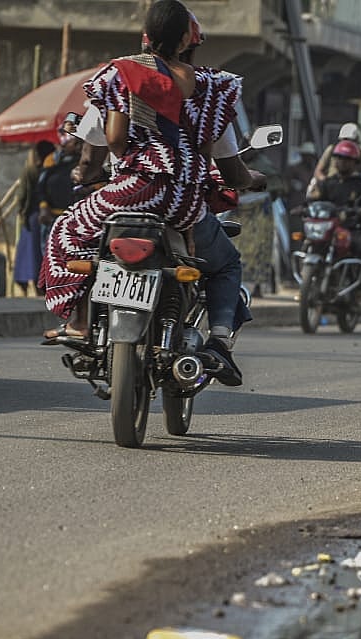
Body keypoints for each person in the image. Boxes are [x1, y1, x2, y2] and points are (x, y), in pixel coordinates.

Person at [40, 0, 258, 386]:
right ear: (184, 43)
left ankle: (78, 320)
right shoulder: (213, 88)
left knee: (66, 233)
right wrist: (250, 178)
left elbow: (106, 144)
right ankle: (220, 343)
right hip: (184, 202)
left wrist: (104, 165)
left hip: (131, 193)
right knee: (225, 264)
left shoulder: (121, 75)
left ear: (145, 37)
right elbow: (229, 167)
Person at [307, 138, 361, 292]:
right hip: (327, 228)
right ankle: (308, 280)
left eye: (347, 159)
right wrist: (304, 208)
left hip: (350, 229)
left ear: (355, 163)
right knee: (309, 241)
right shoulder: (327, 183)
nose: (342, 162)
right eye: (339, 158)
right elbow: (313, 199)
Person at [12, 139, 55, 294]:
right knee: (39, 253)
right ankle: (41, 286)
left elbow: (22, 195)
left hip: (32, 218)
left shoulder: (30, 171)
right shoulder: (53, 170)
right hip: (48, 216)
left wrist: (22, 212)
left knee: (28, 254)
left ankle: (27, 285)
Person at [36, 116, 82, 245]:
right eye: (74, 142)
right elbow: (41, 187)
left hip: (75, 219)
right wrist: (43, 207)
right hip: (52, 217)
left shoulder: (85, 161)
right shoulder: (52, 160)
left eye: (78, 142)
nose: (77, 146)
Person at [308, 122, 361, 194]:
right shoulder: (332, 149)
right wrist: (326, 184)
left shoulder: (359, 154)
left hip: (352, 189)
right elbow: (318, 171)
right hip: (332, 187)